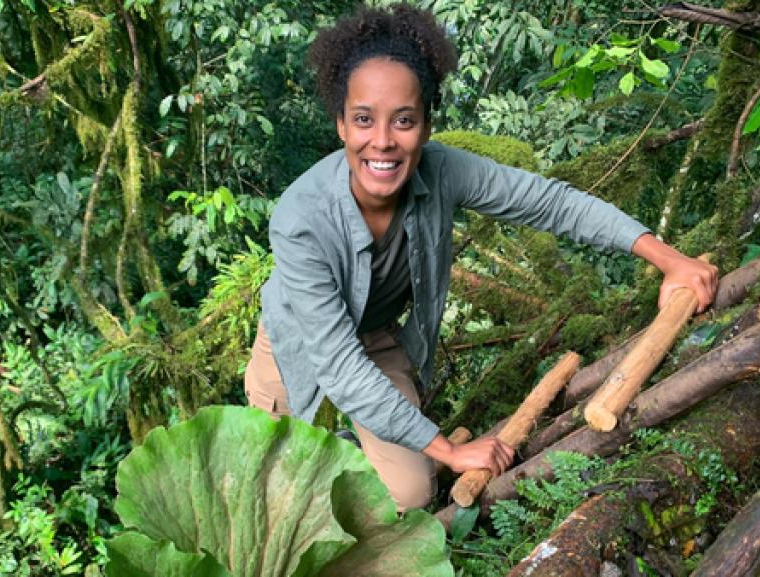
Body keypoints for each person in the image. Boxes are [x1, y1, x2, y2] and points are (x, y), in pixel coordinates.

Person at [244, 3, 718, 512]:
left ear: (425, 127)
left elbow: (550, 202)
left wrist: (665, 257)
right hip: (297, 338)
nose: (382, 141)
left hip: (375, 333)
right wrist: (451, 449)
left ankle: (360, 458)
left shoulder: (445, 170)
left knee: (410, 493)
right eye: (364, 120)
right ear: (341, 125)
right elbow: (336, 361)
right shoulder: (300, 217)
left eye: (403, 120)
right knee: (278, 488)